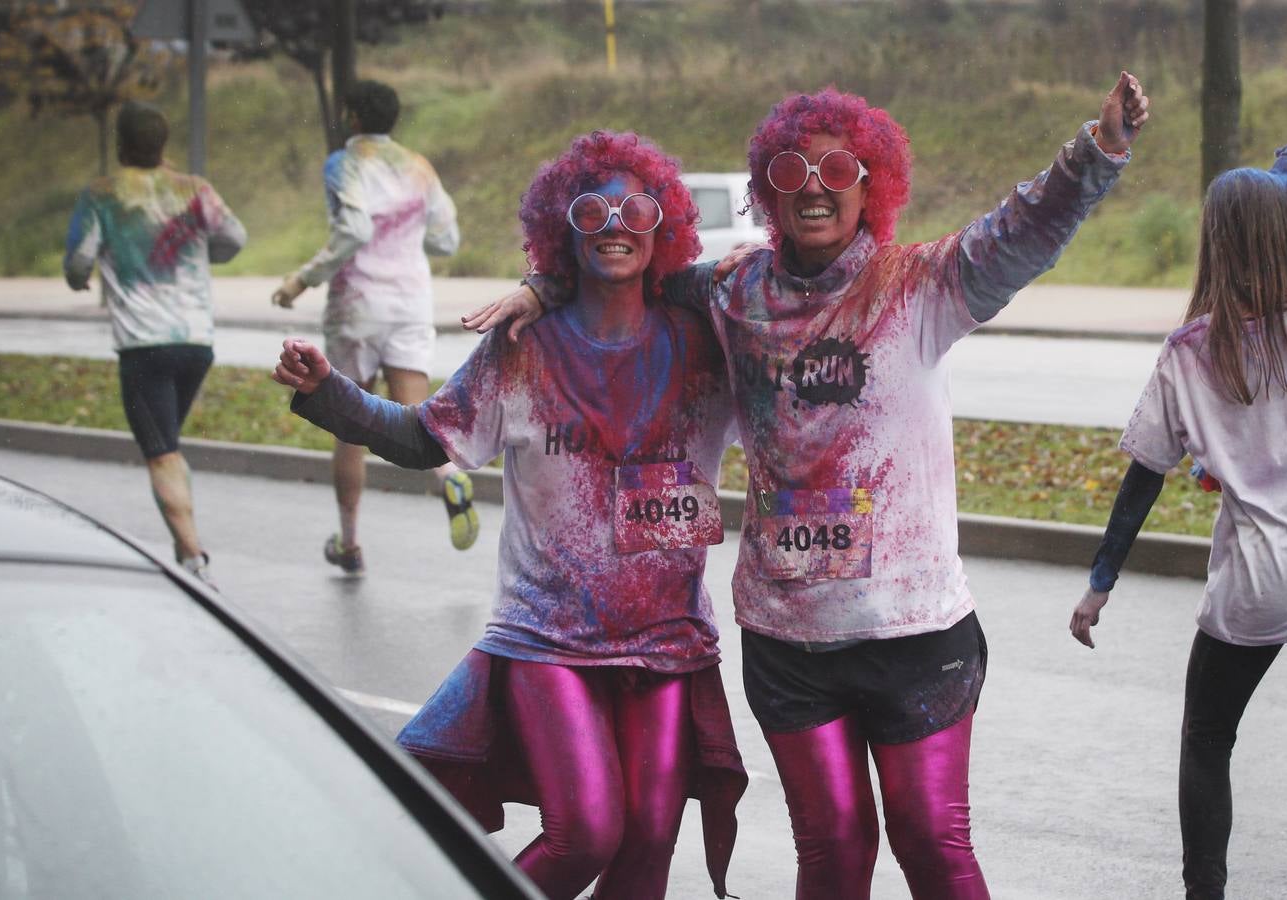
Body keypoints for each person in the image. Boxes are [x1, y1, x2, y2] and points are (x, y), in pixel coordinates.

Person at [477, 72, 1150, 900]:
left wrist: (1100, 149)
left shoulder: (922, 286)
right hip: (787, 635)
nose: (815, 192)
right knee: (831, 851)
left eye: (838, 173)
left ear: (872, 186)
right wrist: (543, 285)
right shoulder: (732, 291)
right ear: (767, 193)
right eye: (791, 174)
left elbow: (1024, 230)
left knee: (932, 844)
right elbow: (632, 272)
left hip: (913, 628)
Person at [273, 131, 746, 900]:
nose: (616, 225)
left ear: (665, 224)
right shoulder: (522, 346)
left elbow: (769, 304)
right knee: (585, 831)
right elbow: (425, 439)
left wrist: (574, 281)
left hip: (667, 642)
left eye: (636, 208)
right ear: (565, 229)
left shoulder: (703, 342)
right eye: (592, 211)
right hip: (548, 639)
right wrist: (331, 392)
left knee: (653, 836)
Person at [1068, 148, 1287, 900]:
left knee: (1207, 741)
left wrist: (1101, 581)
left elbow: (1143, 477)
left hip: (1260, 584)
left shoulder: (1191, 353)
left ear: (1214, 242)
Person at [271, 79, 473, 573]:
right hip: (409, 303)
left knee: (348, 425)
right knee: (416, 419)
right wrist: (405, 241)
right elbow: (447, 240)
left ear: (354, 117)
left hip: (358, 304)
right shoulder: (419, 167)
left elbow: (355, 228)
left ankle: (350, 542)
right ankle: (448, 476)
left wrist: (302, 279)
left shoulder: (344, 162)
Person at [63, 100, 246, 588]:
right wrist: (204, 252)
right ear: (164, 144)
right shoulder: (196, 189)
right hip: (196, 341)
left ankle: (193, 560)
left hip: (144, 345)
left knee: (161, 451)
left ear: (120, 144)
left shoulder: (102, 194)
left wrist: (80, 278)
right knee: (169, 445)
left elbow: (79, 260)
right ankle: (182, 546)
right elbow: (234, 238)